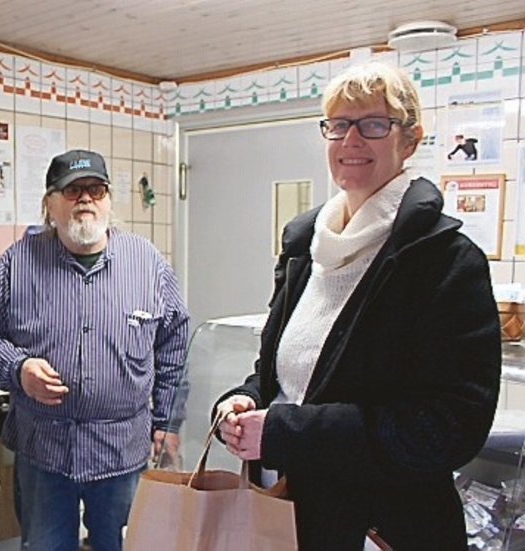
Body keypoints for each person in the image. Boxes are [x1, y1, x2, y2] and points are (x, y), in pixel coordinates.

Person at [214, 61, 500, 550]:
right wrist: (244, 402)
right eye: (338, 125)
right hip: (289, 515)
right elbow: (282, 374)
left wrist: (286, 432)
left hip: (384, 528)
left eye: (373, 125)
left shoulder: (444, 259)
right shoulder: (307, 248)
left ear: (408, 141)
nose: (351, 140)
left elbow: (451, 426)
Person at [0, 149, 189, 551]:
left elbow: (174, 345)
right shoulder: (17, 264)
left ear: (107, 200)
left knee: (125, 546)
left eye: (96, 189)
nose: (85, 199)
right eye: (72, 191)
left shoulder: (147, 264)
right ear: (50, 204)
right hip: (43, 450)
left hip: (122, 452)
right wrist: (18, 368)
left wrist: (168, 423)